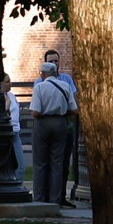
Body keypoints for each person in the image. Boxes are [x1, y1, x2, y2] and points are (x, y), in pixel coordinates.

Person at [29, 52, 79, 206]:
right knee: (57, 162)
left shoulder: (39, 87)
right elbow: (75, 110)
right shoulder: (65, 86)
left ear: (43, 74)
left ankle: (39, 198)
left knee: (40, 162)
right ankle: (55, 198)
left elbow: (35, 112)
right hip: (61, 124)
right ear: (55, 72)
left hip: (43, 124)